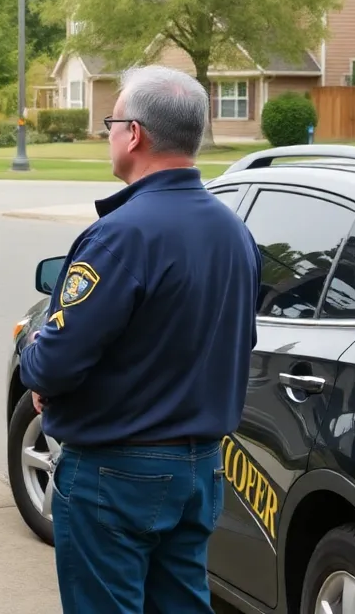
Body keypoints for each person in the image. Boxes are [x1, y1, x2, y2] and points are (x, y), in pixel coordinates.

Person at [19, 66, 261, 614]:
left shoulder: (120, 235)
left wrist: (39, 371)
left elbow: (55, 361)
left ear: (135, 134)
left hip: (115, 472)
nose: (109, 134)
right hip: (199, 470)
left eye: (111, 122)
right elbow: (236, 341)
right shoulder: (233, 231)